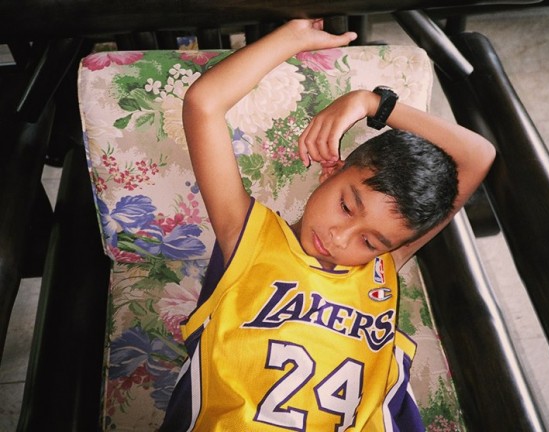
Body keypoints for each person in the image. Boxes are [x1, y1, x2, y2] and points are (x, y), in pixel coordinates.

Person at [161, 19, 495, 431]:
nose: (339, 239)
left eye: (369, 242)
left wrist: (372, 103)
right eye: (346, 206)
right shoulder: (249, 236)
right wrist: (292, 37)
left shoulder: (384, 265)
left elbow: (478, 156)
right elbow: (203, 103)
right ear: (330, 171)